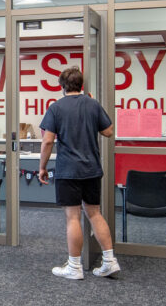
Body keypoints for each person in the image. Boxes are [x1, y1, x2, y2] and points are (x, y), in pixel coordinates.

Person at [37, 66, 120, 280]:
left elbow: (47, 140)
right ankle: (109, 261)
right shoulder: (92, 104)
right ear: (81, 85)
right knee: (94, 213)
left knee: (72, 217)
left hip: (69, 171)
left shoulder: (56, 107)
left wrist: (42, 167)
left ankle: (74, 267)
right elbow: (109, 131)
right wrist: (92, 112)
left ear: (62, 86)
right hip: (92, 169)